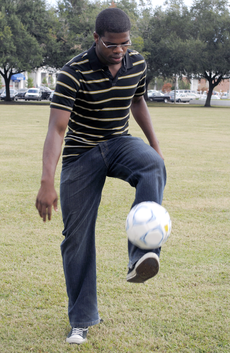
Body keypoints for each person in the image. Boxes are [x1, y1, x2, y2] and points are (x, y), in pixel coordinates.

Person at [36, 7, 166, 345]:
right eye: (112, 45)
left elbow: (138, 101)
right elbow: (57, 129)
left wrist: (155, 147)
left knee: (153, 165)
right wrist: (46, 181)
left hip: (119, 142)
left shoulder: (136, 63)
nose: (119, 51)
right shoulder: (73, 72)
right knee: (75, 238)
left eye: (125, 44)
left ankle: (142, 256)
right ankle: (81, 319)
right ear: (96, 38)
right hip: (82, 153)